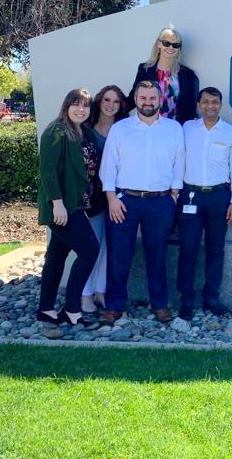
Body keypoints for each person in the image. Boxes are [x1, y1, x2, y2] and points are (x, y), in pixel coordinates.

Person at [99, 80, 184, 325]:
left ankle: (159, 305)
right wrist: (112, 198)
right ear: (135, 100)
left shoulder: (173, 129)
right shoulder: (121, 128)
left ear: (160, 101)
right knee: (119, 255)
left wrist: (174, 196)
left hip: (160, 202)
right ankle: (114, 306)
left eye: (152, 98)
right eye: (143, 98)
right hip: (124, 201)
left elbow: (179, 163)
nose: (148, 102)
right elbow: (109, 166)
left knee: (157, 255)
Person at [177, 87, 232, 320]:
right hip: (190, 196)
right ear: (198, 104)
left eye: (214, 102)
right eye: (205, 102)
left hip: (219, 197)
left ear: (220, 105)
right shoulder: (186, 129)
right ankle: (186, 299)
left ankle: (211, 298)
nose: (210, 106)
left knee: (215, 249)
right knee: (188, 248)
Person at [36, 89, 101, 327]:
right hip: (63, 206)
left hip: (76, 204)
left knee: (57, 256)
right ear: (66, 106)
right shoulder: (56, 131)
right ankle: (72, 309)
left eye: (85, 106)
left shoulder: (82, 132)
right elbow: (48, 170)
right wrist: (58, 203)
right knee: (90, 250)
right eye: (76, 104)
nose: (80, 109)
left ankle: (45, 308)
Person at [80, 85, 129, 313]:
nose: (111, 105)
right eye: (107, 100)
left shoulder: (125, 129)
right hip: (92, 198)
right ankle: (85, 295)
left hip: (119, 197)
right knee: (92, 246)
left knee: (110, 247)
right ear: (99, 102)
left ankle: (101, 292)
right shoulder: (86, 129)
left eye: (116, 101)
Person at [130, 26, 199, 124]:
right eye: (166, 43)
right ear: (159, 44)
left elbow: (191, 106)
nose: (171, 48)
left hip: (177, 128)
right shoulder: (145, 69)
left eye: (175, 45)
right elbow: (134, 97)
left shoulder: (187, 74)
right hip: (150, 126)